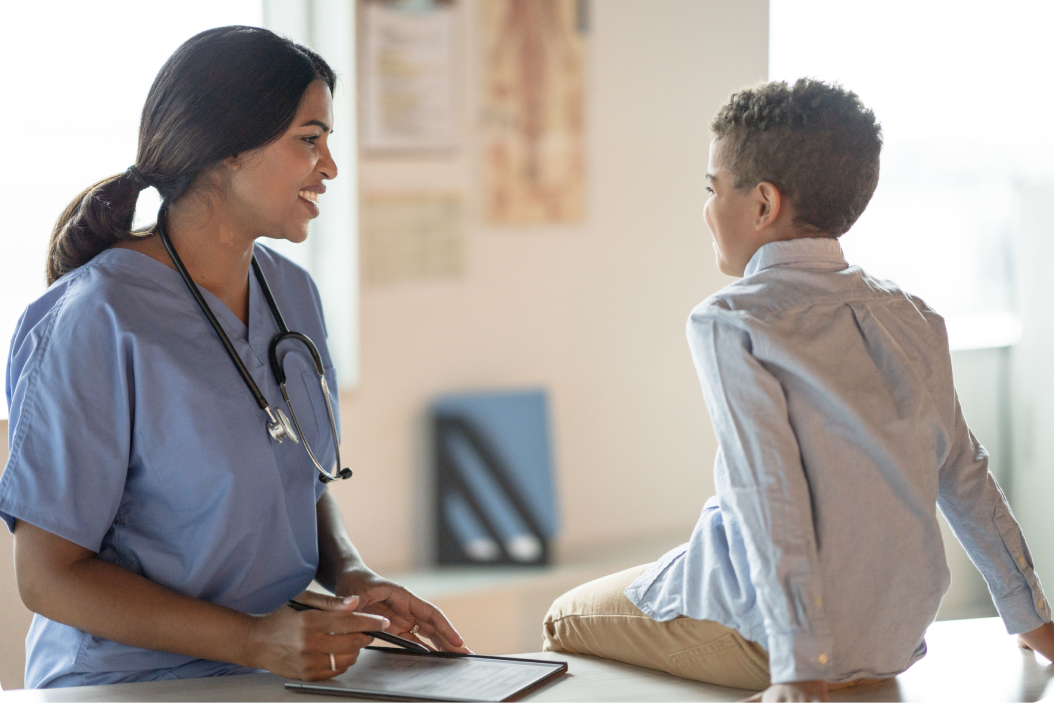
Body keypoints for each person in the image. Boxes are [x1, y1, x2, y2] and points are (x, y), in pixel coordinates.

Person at [541, 79, 1054, 703]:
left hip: (779, 647)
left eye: (712, 189)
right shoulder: (912, 316)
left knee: (564, 618)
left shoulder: (731, 320)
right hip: (892, 643)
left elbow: (767, 493)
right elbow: (965, 476)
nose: (706, 209)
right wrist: (1032, 616)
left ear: (763, 204)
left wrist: (797, 668)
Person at [0, 26, 467, 689]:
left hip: (267, 673)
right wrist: (253, 639)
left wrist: (352, 575)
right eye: (309, 140)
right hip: (124, 685)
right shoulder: (93, 319)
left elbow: (298, 479)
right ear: (228, 149)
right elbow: (48, 577)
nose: (330, 167)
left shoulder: (293, 294)